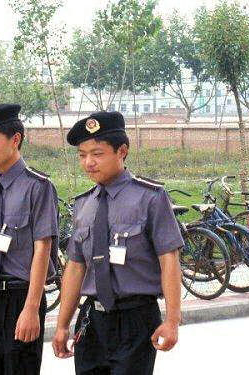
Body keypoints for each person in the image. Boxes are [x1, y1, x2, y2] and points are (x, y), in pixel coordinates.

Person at [52, 111, 184, 375]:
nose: (88, 162)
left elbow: (169, 260)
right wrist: (63, 324)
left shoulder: (150, 197)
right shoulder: (83, 204)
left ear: (122, 151)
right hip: (92, 318)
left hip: (136, 318)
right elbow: (76, 268)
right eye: (82, 155)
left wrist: (172, 320)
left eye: (97, 154)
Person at [0, 103, 59, 375]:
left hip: (20, 298)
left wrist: (32, 308)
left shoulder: (38, 187)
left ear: (15, 139)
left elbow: (43, 249)